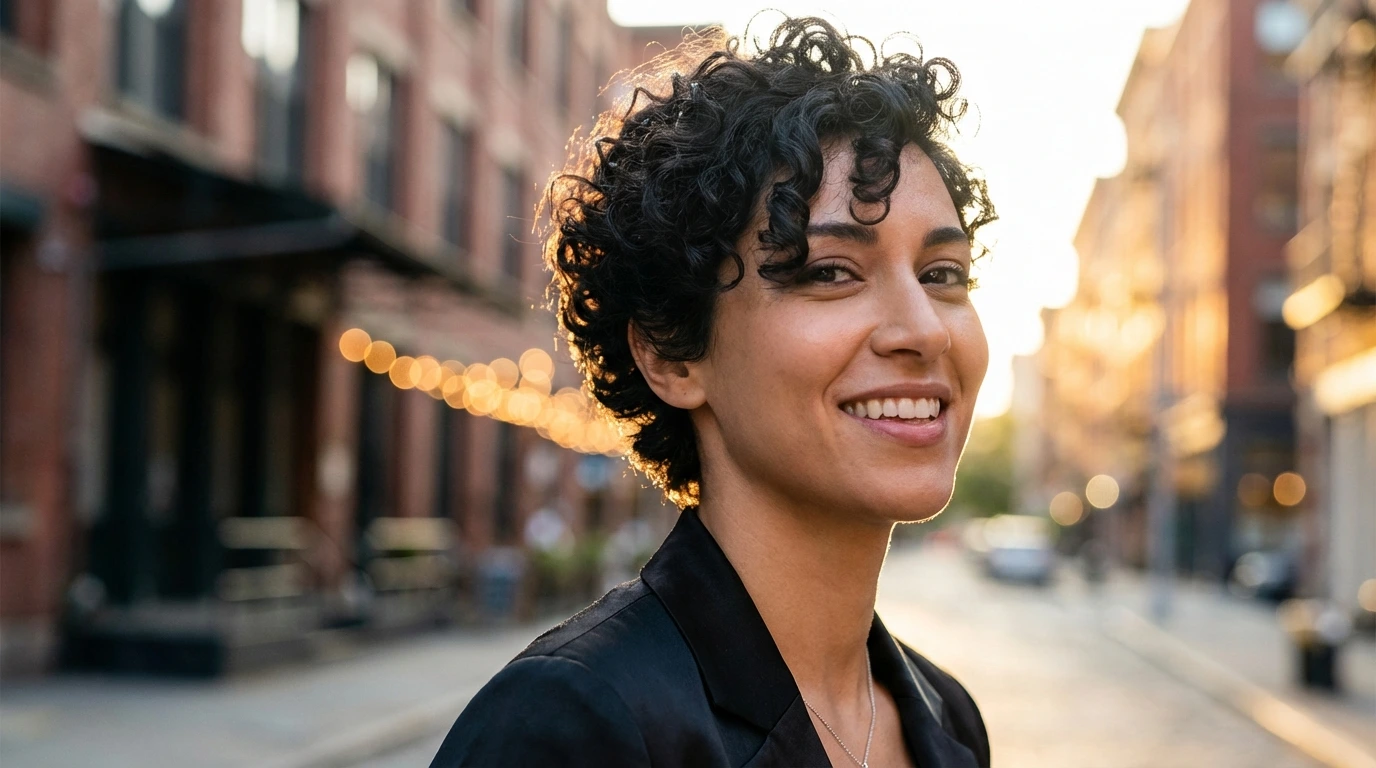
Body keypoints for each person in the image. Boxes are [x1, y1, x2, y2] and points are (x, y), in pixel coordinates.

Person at [432, 15, 995, 767]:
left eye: (943, 275)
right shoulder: (574, 723)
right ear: (673, 353)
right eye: (831, 272)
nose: (923, 330)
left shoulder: (948, 718)